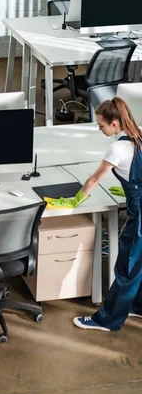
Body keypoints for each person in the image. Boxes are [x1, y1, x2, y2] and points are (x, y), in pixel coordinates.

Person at [45, 97, 142, 332]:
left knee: (127, 268)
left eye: (101, 125)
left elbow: (94, 179)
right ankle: (137, 306)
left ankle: (106, 320)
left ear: (115, 123)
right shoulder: (139, 135)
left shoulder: (117, 147)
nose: (99, 129)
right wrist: (130, 187)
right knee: (139, 265)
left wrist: (76, 200)